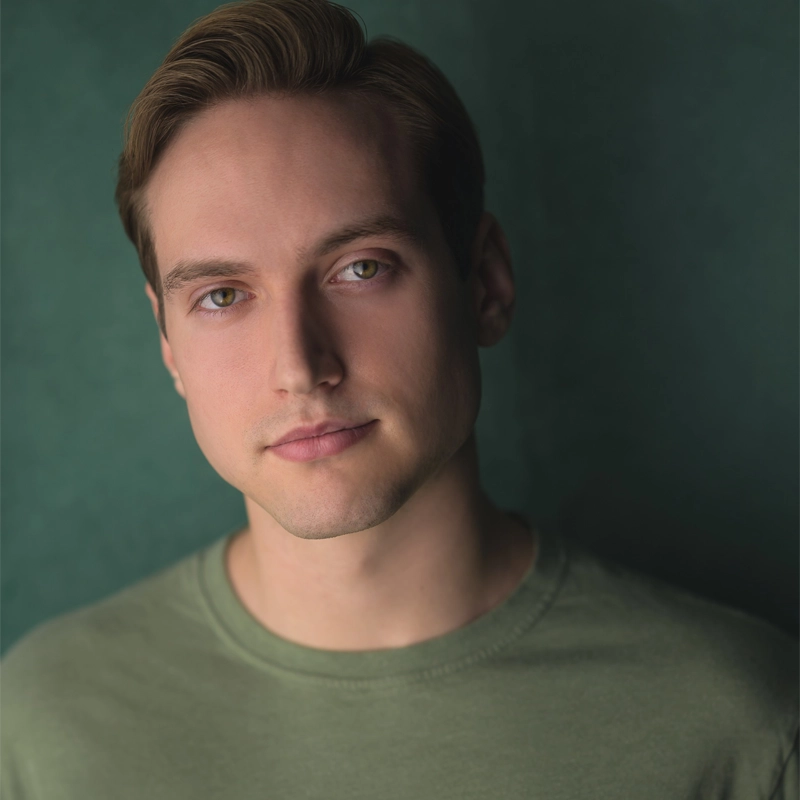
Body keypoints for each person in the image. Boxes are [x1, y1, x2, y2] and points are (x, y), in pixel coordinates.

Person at [2, 1, 797, 797]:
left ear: (484, 283)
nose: (299, 366)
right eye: (220, 296)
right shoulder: (40, 725)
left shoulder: (738, 726)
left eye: (361, 269)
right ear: (168, 342)